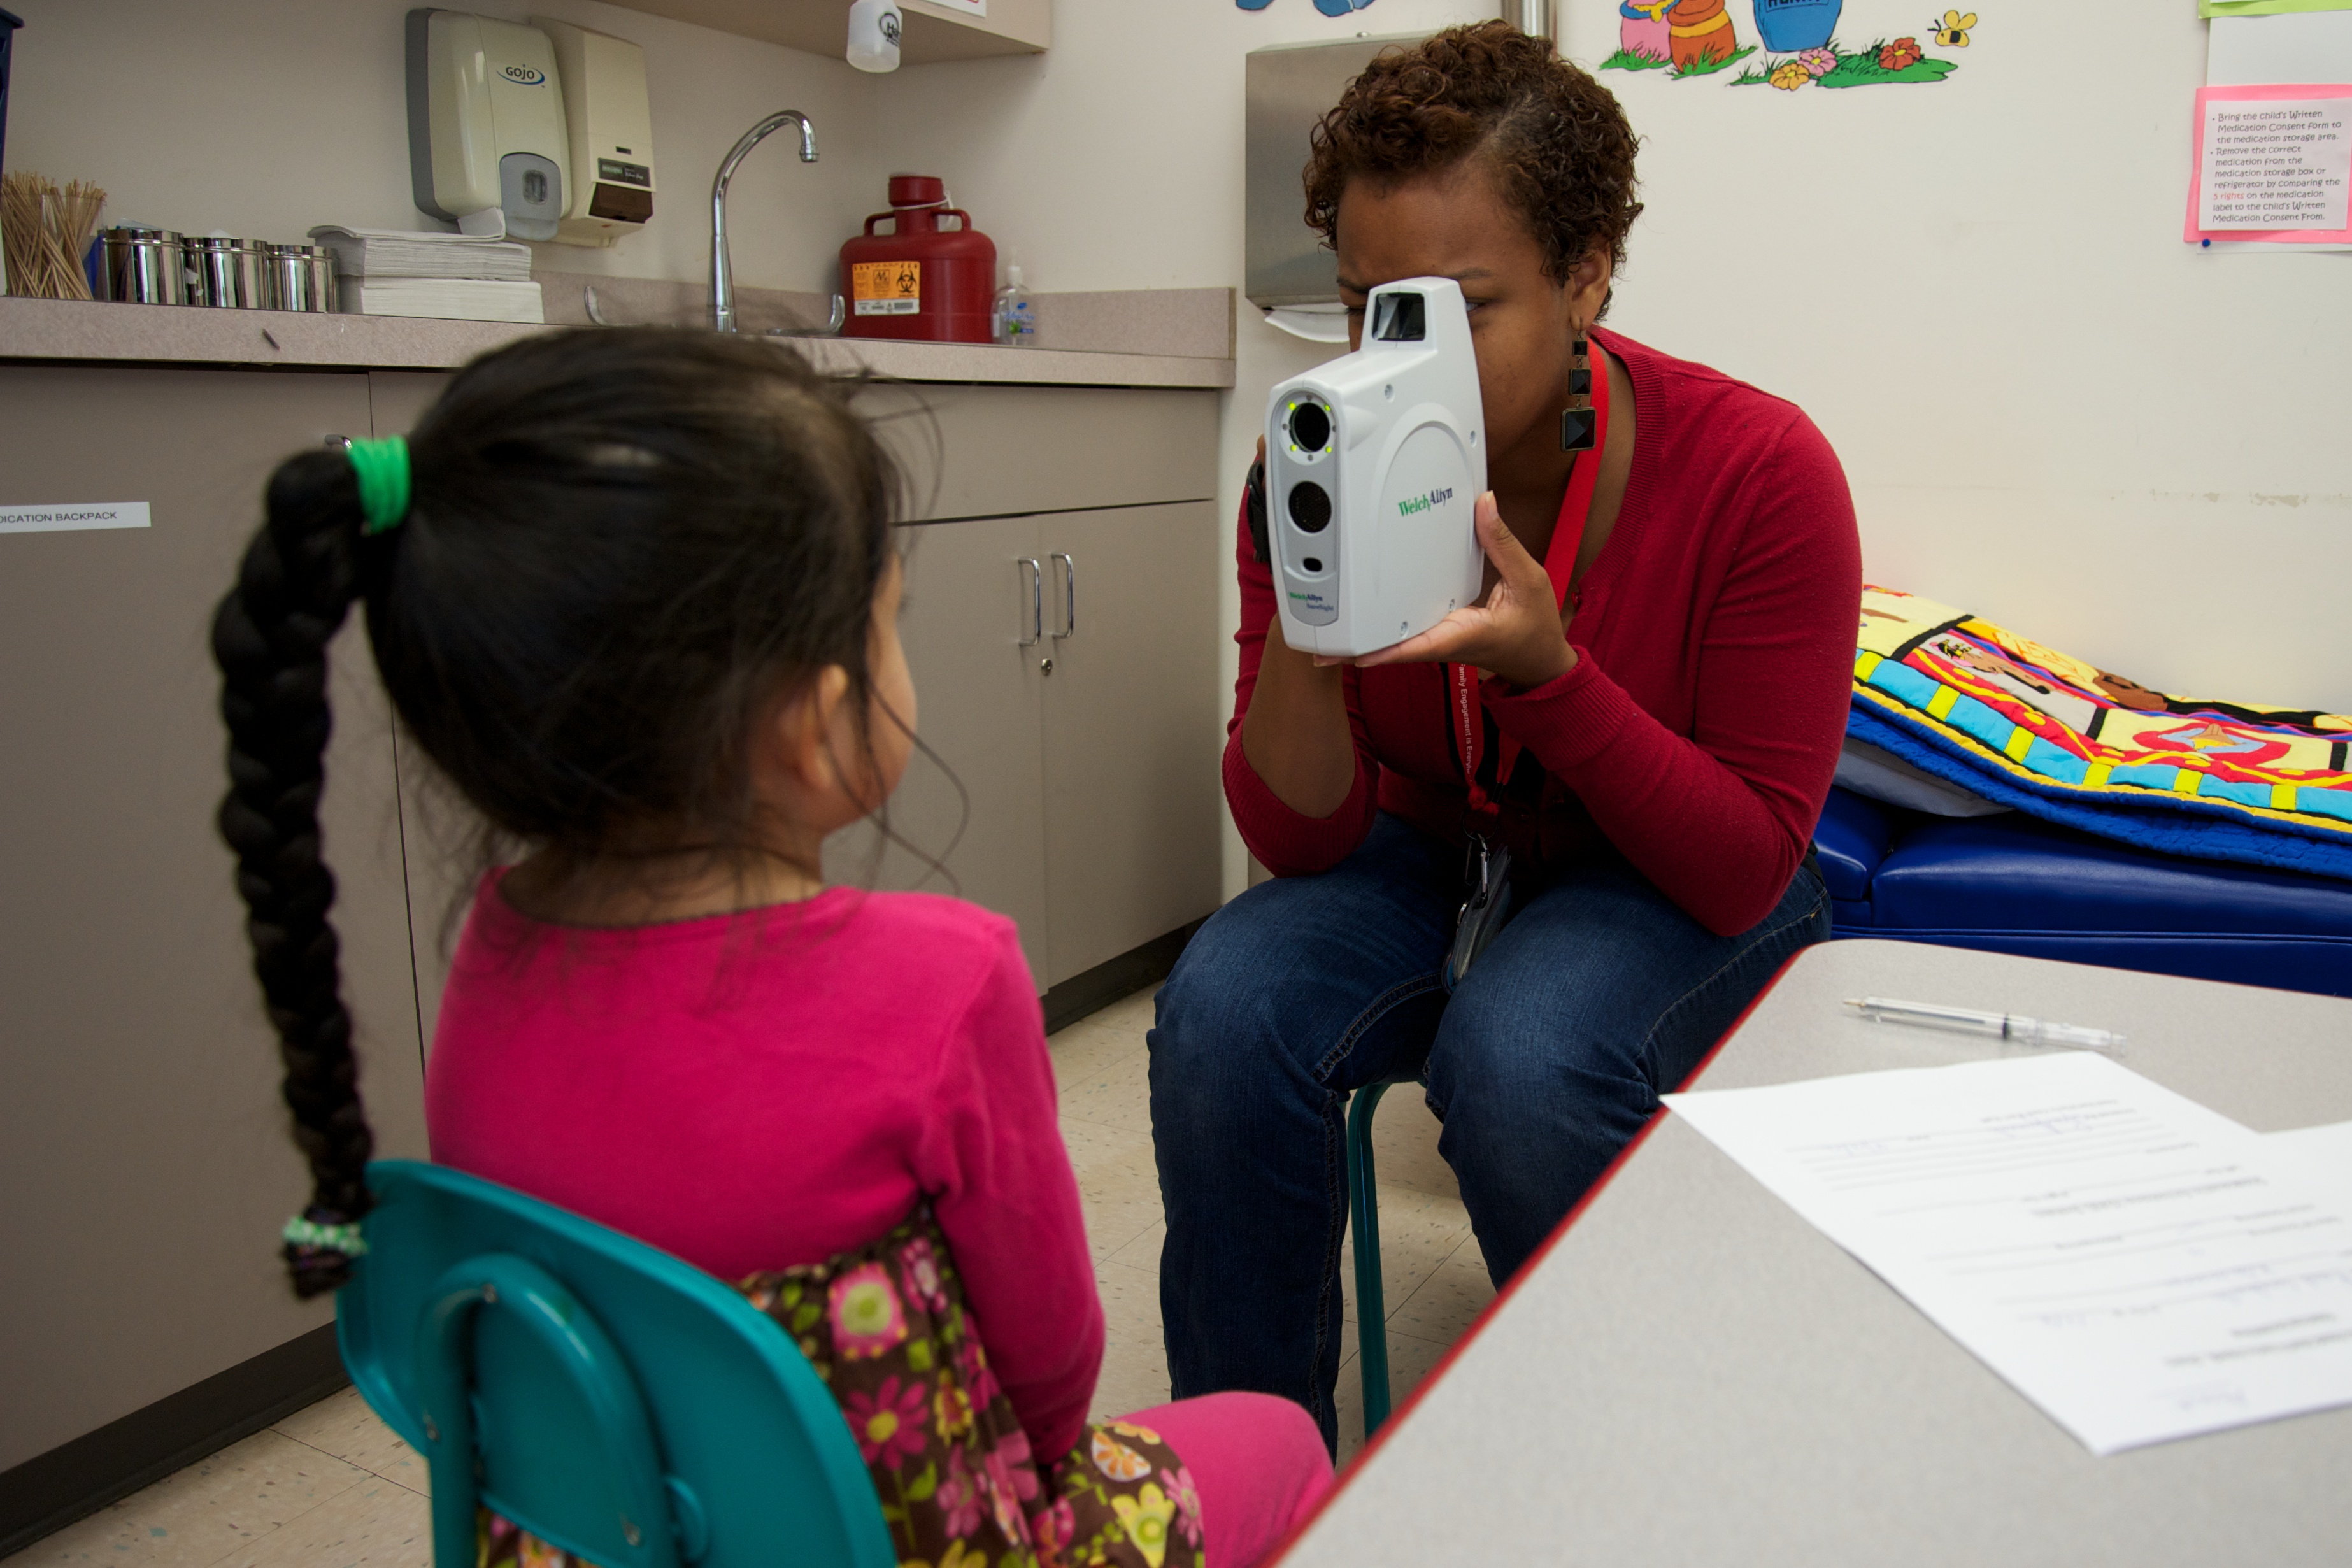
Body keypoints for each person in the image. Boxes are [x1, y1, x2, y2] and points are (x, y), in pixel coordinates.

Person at [211, 329, 1329, 1568]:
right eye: (889, 619)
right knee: (1276, 1440)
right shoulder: (945, 981)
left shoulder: (491, 949)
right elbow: (1050, 1375)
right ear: (811, 715)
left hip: (607, 1538)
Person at [1150, 23, 1862, 1452]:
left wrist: (1551, 671)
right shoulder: (1312, 460)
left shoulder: (1758, 471)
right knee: (1221, 1009)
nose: (1399, 360)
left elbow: (1738, 867)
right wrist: (1307, 597)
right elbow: (1300, 838)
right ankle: (1250, 1473)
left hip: (1670, 856)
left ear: (1587, 272)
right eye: (1366, 307)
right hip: (1431, 830)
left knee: (1524, 1056)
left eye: (1458, 308)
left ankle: (1623, 1448)